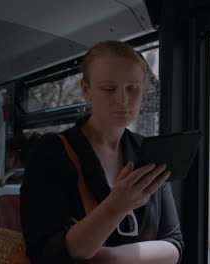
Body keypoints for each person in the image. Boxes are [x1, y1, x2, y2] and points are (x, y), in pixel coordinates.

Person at [20, 40, 183, 264]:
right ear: (86, 90)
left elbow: (174, 244)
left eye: (133, 89)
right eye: (109, 88)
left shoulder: (149, 151)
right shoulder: (52, 151)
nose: (123, 99)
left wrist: (110, 258)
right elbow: (47, 253)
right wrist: (116, 207)